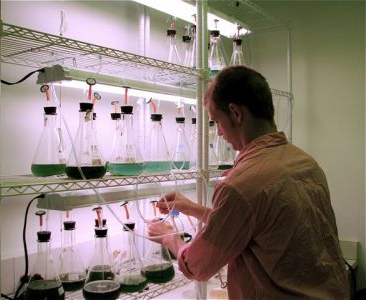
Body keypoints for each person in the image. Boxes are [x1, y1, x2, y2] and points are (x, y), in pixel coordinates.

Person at [147, 66, 349, 299]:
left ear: (235, 113)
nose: (219, 133)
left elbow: (197, 266)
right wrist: (192, 208)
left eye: (216, 121)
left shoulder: (241, 184)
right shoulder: (305, 163)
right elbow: (256, 222)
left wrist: (168, 236)